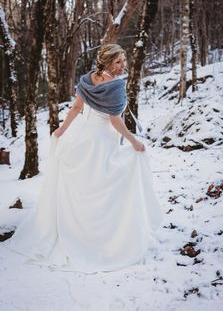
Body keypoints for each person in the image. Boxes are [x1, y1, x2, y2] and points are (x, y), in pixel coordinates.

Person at [4, 44, 163, 273]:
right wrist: (133, 141)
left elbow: (77, 108)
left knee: (85, 188)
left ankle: (80, 232)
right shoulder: (115, 86)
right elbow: (114, 120)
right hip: (99, 142)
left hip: (80, 136)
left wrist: (64, 130)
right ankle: (101, 240)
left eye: (123, 61)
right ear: (107, 62)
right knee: (102, 186)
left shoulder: (88, 79)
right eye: (118, 61)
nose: (123, 65)